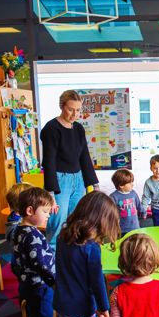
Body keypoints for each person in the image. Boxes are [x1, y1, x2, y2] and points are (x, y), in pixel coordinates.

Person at [53, 191, 120, 317]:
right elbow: (97, 282)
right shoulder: (91, 248)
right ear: (101, 220)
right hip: (81, 309)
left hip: (61, 304)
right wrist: (104, 307)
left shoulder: (63, 236)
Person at [10, 187, 65, 317]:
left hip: (27, 284)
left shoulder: (20, 230)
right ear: (30, 211)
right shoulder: (32, 236)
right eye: (45, 212)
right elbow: (42, 265)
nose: (48, 216)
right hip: (40, 286)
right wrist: (55, 280)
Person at [40, 90, 99, 250]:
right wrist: (51, 192)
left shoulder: (79, 128)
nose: (75, 114)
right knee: (57, 221)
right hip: (60, 180)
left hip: (78, 179)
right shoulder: (51, 129)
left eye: (78, 110)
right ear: (62, 106)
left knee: (77, 220)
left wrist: (93, 183)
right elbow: (49, 161)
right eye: (71, 109)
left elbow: (84, 156)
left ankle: (72, 254)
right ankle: (52, 259)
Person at [109, 168, 144, 235]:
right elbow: (109, 212)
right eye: (129, 183)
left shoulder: (133, 193)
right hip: (122, 229)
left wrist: (143, 212)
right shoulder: (113, 197)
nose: (132, 184)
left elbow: (139, 205)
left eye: (132, 182)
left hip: (135, 227)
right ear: (121, 185)